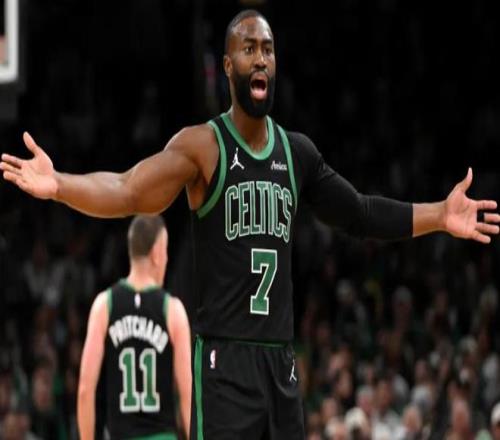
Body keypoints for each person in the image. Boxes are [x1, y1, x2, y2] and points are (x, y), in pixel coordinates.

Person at [1, 9, 499, 440]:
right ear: (227, 66)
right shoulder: (204, 146)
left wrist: (440, 214)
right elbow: (129, 189)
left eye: (268, 49)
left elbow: (361, 213)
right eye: (248, 49)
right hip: (223, 367)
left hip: (280, 364)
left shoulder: (297, 154)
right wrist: (60, 184)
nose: (260, 59)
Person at [77, 215, 191, 440]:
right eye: (166, 251)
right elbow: (187, 395)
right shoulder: (173, 310)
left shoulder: (104, 305)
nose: (166, 258)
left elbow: (85, 390)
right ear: (157, 253)